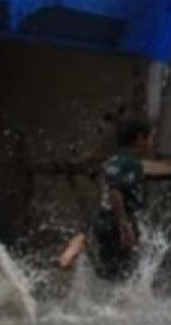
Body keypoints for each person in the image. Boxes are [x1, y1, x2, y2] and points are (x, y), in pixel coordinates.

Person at [58, 115, 154, 280]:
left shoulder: (112, 160)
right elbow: (116, 191)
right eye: (150, 137)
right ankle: (82, 242)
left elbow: (106, 186)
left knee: (105, 272)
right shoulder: (132, 164)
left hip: (103, 220)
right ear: (140, 138)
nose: (152, 142)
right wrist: (124, 225)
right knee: (122, 277)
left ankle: (82, 242)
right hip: (117, 224)